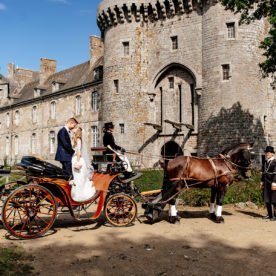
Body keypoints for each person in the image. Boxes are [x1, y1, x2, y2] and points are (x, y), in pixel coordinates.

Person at [70, 126, 96, 202]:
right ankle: (78, 193)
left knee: (79, 178)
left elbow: (79, 152)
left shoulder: (79, 140)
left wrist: (77, 161)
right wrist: (72, 136)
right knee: (76, 177)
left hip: (78, 160)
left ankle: (81, 195)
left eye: (75, 129)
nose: (73, 130)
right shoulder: (75, 139)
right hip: (75, 159)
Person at [261, 146, 276, 221]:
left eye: (269, 153)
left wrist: (274, 183)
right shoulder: (265, 162)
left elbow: (275, 174)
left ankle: (275, 216)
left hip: (272, 182)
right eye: (266, 152)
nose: (267, 154)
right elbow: (263, 173)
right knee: (267, 199)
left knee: (274, 200)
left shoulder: (275, 162)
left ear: (272, 154)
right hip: (266, 182)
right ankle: (270, 215)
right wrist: (262, 181)